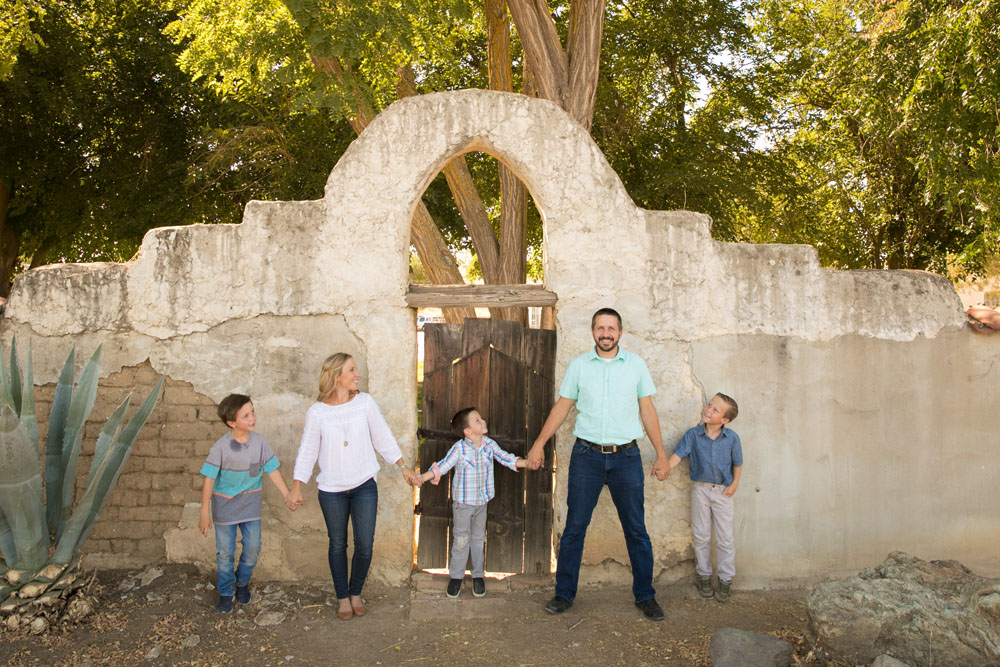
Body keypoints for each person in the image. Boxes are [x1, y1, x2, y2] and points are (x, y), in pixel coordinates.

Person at [525, 308, 670, 621]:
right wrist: (538, 444)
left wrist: (660, 453)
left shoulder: (636, 365)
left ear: (620, 332)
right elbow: (562, 408)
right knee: (575, 528)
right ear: (593, 332)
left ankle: (645, 595)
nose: (606, 333)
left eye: (612, 328)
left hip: (627, 458)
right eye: (601, 328)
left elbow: (648, 410)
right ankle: (564, 593)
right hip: (586, 457)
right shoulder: (579, 366)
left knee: (636, 529)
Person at [285, 353, 421, 620]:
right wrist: (297, 486)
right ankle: (342, 597)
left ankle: (356, 591)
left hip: (364, 486)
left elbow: (382, 436)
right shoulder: (318, 412)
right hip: (331, 490)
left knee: (365, 544)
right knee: (337, 544)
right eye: (352, 370)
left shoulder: (365, 403)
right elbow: (308, 450)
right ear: (337, 376)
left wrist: (402, 465)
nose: (357, 375)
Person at [418, 407, 527, 598]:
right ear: (467, 431)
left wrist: (526, 463)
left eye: (481, 418)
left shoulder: (489, 445)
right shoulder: (459, 448)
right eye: (477, 420)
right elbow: (443, 466)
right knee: (461, 540)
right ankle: (456, 577)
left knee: (478, 539)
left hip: (481, 503)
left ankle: (477, 575)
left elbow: (505, 458)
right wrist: (423, 477)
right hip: (463, 505)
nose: (482, 421)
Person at [199, 394, 291, 613]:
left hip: (250, 506)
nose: (252, 418)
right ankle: (225, 591)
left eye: (253, 412)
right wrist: (204, 510)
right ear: (232, 423)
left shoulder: (260, 443)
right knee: (225, 553)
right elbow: (209, 478)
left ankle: (241, 583)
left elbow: (272, 470)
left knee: (252, 548)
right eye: (246, 415)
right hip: (225, 508)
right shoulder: (220, 447)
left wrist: (287, 494)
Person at [666, 393, 742, 603]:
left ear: (725, 420)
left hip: (723, 492)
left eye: (715, 410)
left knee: (725, 537)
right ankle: (705, 576)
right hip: (700, 490)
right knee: (701, 535)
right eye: (709, 405)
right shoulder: (693, 435)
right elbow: (679, 454)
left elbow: (738, 463)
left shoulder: (732, 438)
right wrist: (665, 468)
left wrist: (734, 484)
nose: (709, 409)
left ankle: (726, 579)